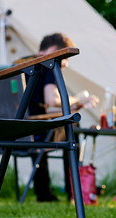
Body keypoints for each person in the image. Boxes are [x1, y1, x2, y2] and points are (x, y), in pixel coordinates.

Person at [28, 33, 99, 202]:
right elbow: (51, 99)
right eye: (65, 61)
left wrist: (72, 105)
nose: (64, 66)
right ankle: (73, 192)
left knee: (50, 130)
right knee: (71, 130)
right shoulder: (49, 63)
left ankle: (43, 192)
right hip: (38, 130)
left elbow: (43, 104)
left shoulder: (19, 63)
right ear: (54, 51)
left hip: (15, 129)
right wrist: (80, 99)